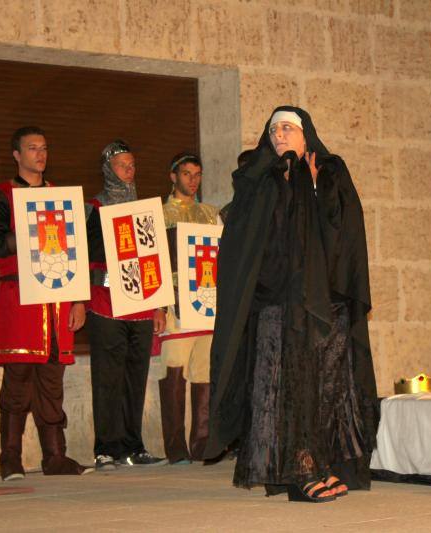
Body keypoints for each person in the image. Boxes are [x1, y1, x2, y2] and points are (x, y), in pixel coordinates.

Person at [205, 107, 379, 502]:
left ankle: (323, 461)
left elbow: (344, 237)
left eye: (288, 128)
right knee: (286, 388)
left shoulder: (329, 171)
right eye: (273, 129)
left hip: (324, 302)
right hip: (277, 302)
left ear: (306, 137)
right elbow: (245, 239)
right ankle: (298, 471)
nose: (280, 134)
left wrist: (316, 189)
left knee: (326, 387)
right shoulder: (257, 175)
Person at [0, 125, 92, 481]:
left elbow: (76, 253)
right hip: (20, 300)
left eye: (44, 148)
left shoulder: (61, 199)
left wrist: (78, 300)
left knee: (51, 380)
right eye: (32, 148)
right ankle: (10, 458)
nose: (40, 154)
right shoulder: (1, 196)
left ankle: (55, 457)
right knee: (17, 378)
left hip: (58, 302)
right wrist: (33, 224)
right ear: (17, 154)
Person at [85, 140, 167, 470]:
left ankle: (134, 446)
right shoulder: (95, 207)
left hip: (142, 306)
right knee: (108, 377)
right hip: (106, 304)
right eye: (122, 165)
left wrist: (160, 305)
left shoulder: (145, 210)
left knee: (137, 377)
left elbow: (155, 259)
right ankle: (106, 448)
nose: (129, 171)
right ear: (108, 170)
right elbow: (89, 259)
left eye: (132, 164)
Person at [157, 153, 222, 464]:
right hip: (175, 304)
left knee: (204, 373)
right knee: (174, 372)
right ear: (173, 176)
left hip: (207, 303)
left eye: (197, 174)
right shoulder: (158, 214)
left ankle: (202, 443)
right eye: (186, 174)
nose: (193, 180)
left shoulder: (212, 214)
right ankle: (175, 447)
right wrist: (158, 306)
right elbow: (151, 263)